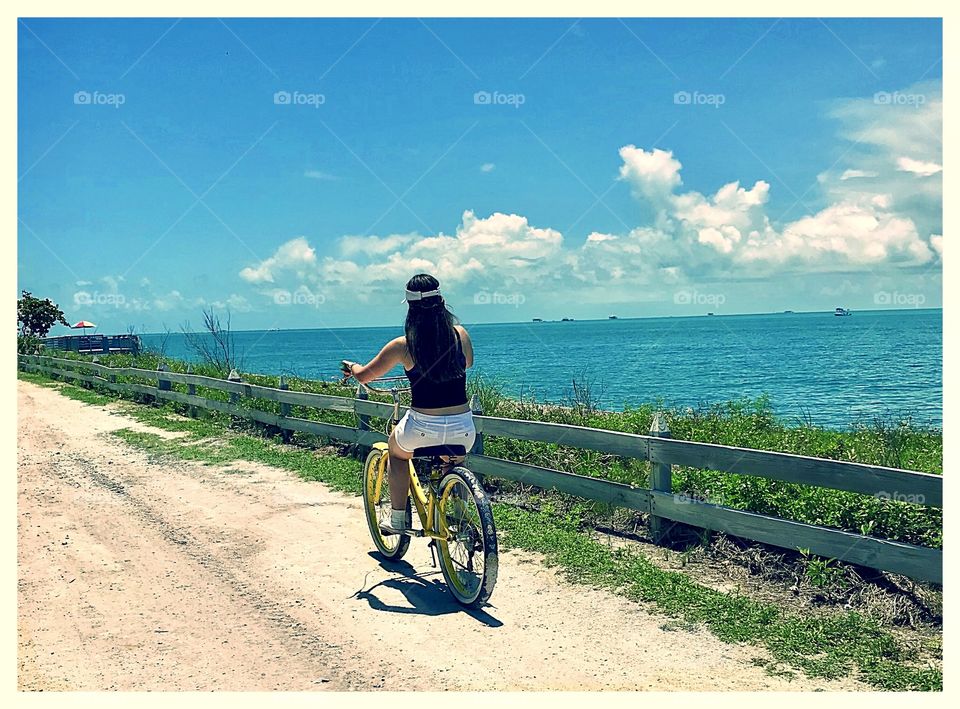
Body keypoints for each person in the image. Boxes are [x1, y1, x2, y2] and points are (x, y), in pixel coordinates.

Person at [341, 273, 475, 531]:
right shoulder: (460, 335)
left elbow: (365, 375)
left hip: (423, 427)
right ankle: (461, 517)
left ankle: (398, 519)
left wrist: (352, 368)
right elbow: (466, 363)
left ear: (410, 309)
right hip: (463, 427)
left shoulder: (403, 346)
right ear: (442, 302)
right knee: (455, 460)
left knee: (397, 453)